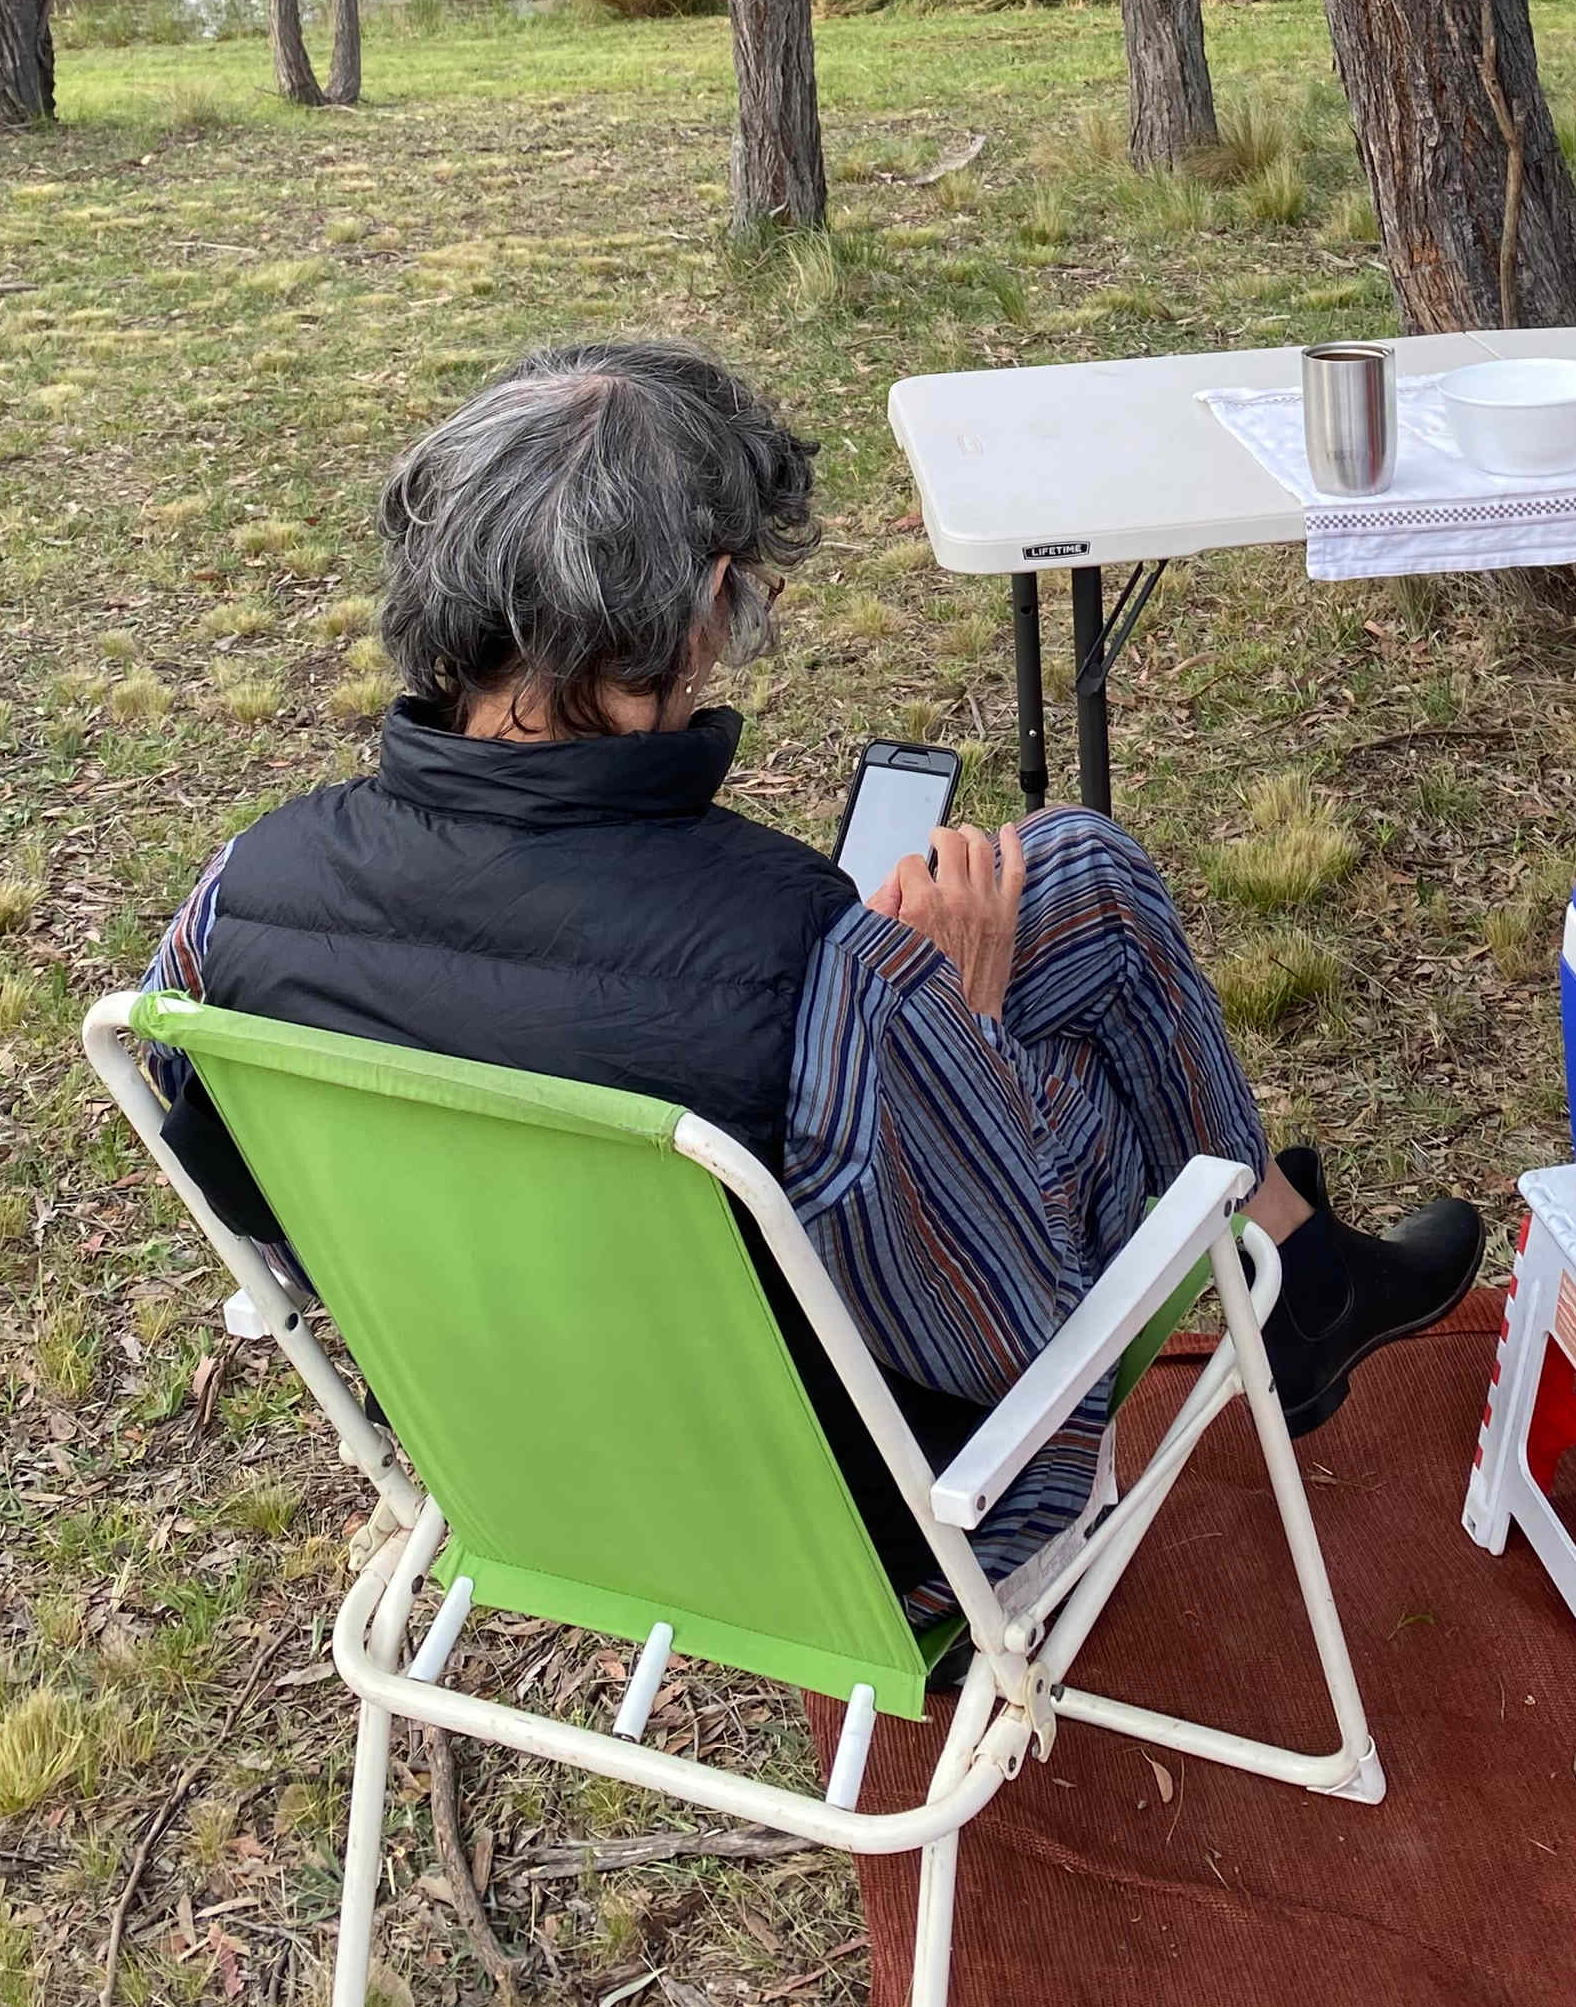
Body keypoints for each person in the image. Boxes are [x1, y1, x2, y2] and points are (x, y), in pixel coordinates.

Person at [144, 340, 1482, 1586]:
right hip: (875, 1518)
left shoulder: (239, 900)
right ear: (696, 615)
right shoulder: (818, 963)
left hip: (512, 1455)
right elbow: (1010, 1342)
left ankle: (1304, 1281)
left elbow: (257, 1208)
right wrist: (953, 1030)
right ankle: (1288, 1275)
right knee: (1077, 1053)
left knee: (1073, 869)